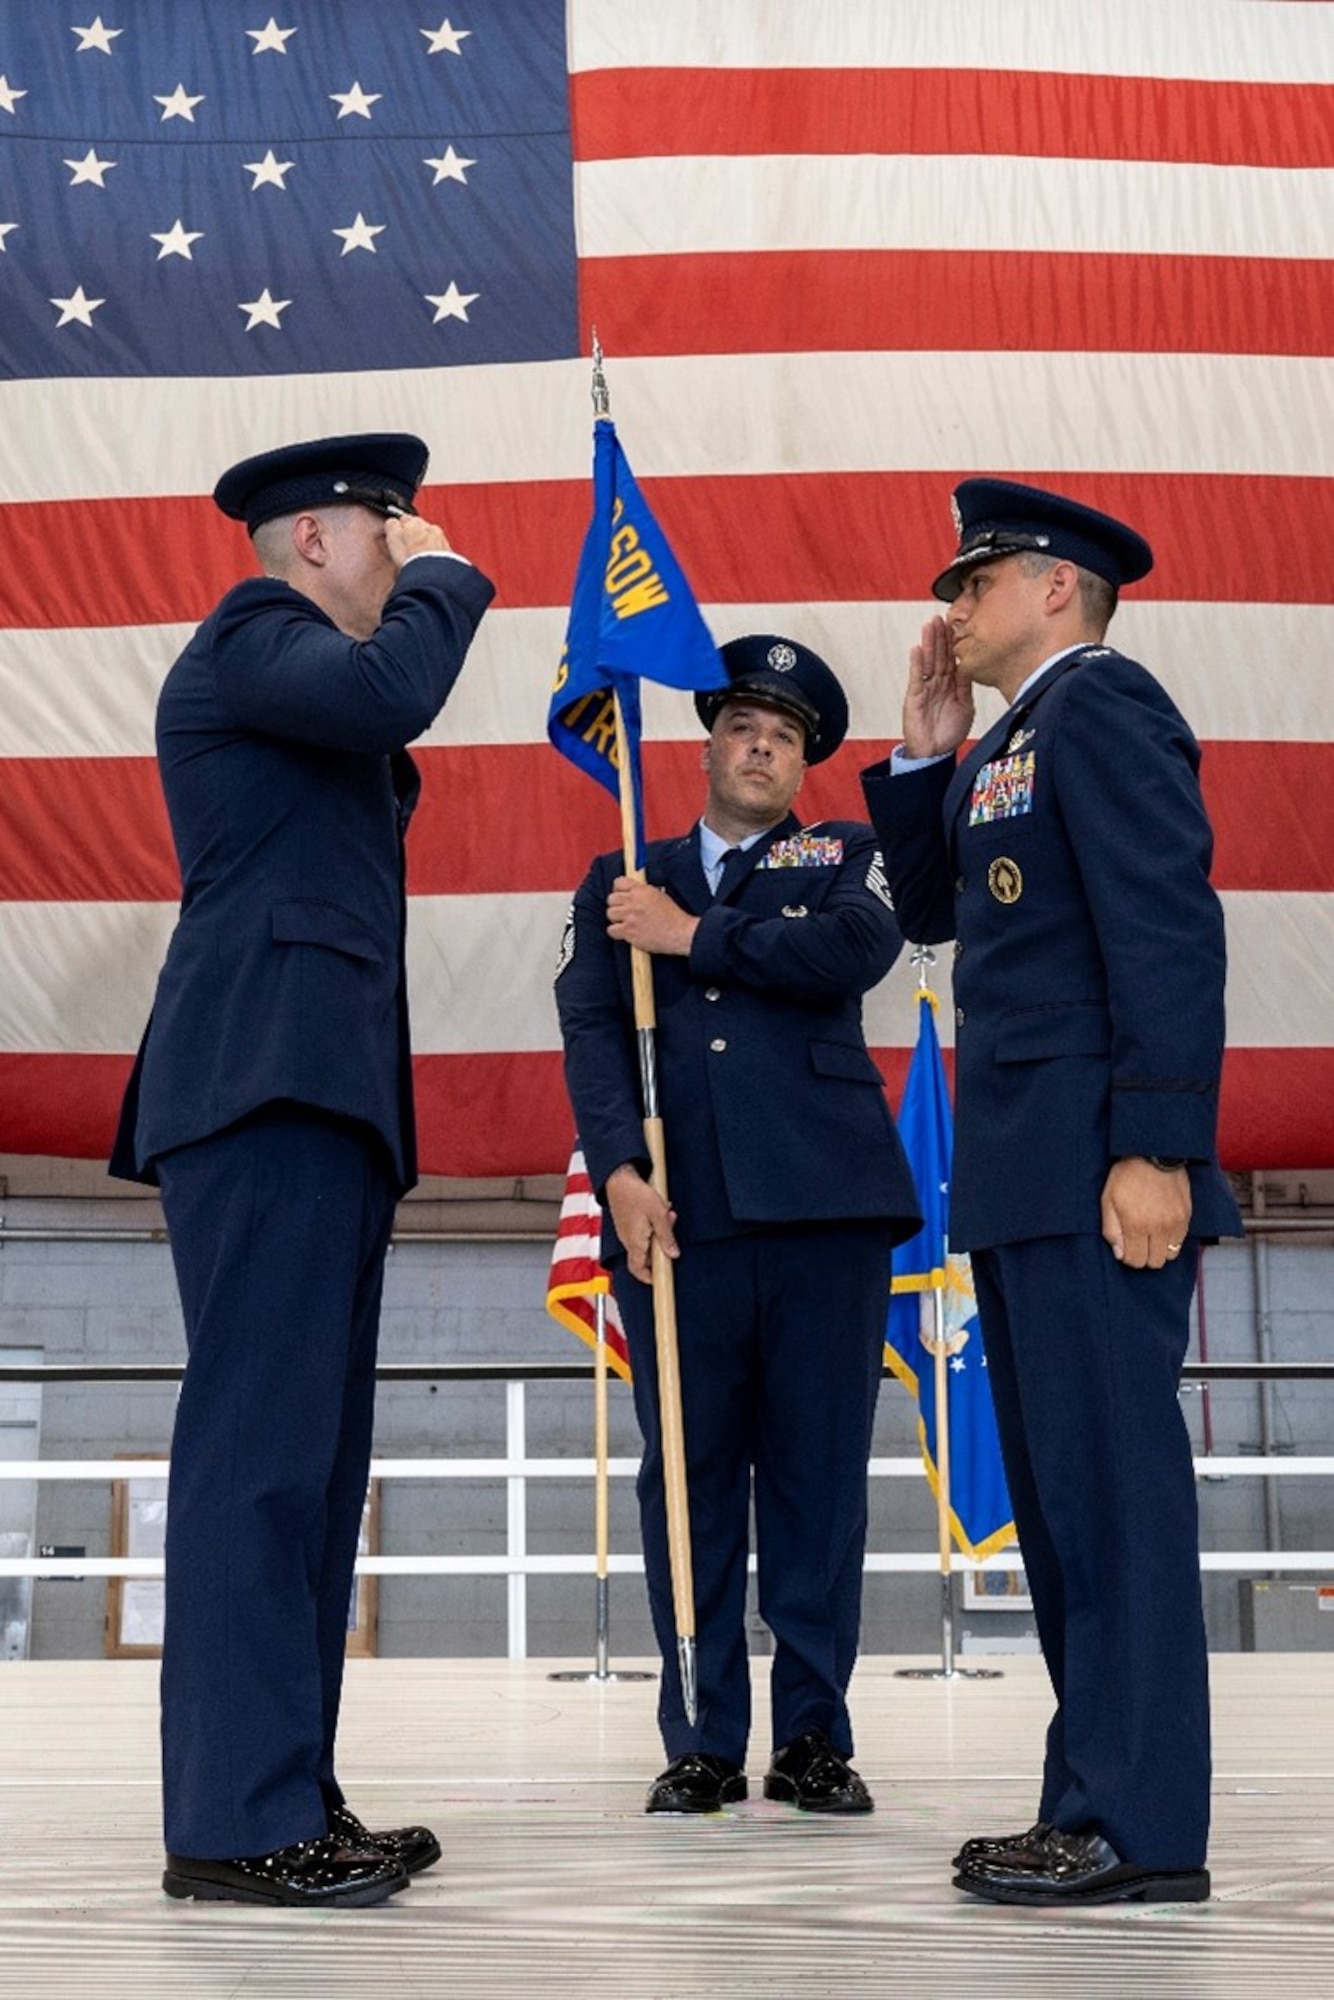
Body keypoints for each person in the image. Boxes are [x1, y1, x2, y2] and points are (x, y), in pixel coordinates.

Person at [110, 433, 494, 1907]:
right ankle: (230, 1821)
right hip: (260, 1082)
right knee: (259, 1458)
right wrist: (451, 582)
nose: (406, 553)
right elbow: (394, 684)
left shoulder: (303, 681)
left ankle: (287, 1791)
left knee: (311, 1474)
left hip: (318, 1092)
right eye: (387, 532)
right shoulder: (255, 632)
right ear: (318, 538)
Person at [861, 479, 1241, 1907]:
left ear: (1055, 591)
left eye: (974, 582)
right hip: (1023, 1174)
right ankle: (1085, 1800)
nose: (948, 609)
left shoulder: (1103, 706)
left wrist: (1155, 1144)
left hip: (1096, 1167)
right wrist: (919, 762)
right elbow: (937, 912)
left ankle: (1141, 1829)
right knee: (1065, 1509)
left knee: (1115, 1507)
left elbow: (1165, 922)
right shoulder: (1009, 739)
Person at [555, 635, 921, 1816]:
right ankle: (705, 1734)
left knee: (818, 1485)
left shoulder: (846, 853)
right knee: (691, 1479)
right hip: (679, 1220)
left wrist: (691, 937)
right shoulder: (626, 869)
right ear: (707, 741)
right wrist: (615, 1169)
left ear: (803, 758)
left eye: (786, 734)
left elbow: (847, 953)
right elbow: (593, 1030)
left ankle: (811, 1734)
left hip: (823, 1213)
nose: (761, 745)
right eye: (742, 726)